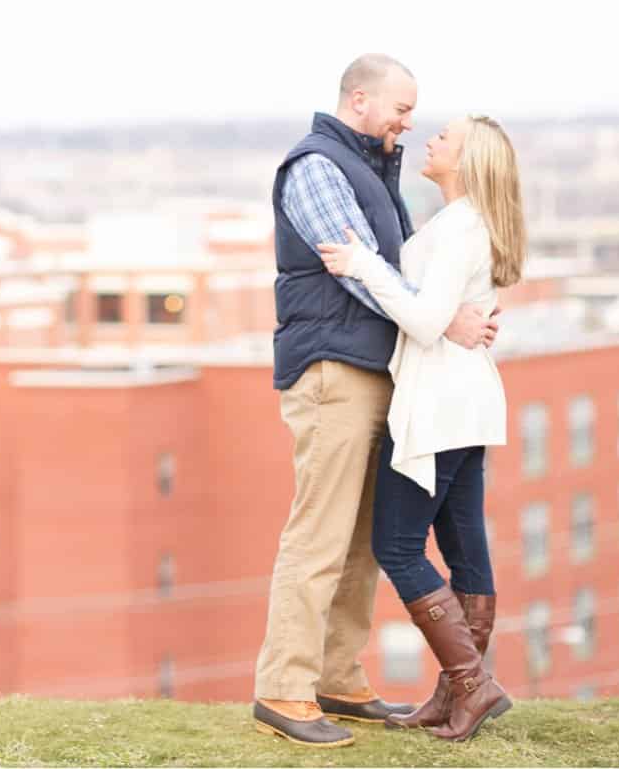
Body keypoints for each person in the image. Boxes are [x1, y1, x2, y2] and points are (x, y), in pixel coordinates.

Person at [252, 55, 500, 750]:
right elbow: (360, 263)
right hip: (333, 372)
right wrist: (442, 316)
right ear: (359, 99)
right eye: (400, 108)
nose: (409, 122)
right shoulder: (317, 166)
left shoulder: (371, 168)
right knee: (319, 535)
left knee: (360, 539)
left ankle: (337, 677)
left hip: (373, 369)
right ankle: (283, 685)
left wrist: (446, 306)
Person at [316, 113, 525, 743]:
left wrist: (360, 262)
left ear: (467, 161)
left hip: (439, 403)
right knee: (464, 552)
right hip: (466, 400)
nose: (430, 139)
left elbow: (426, 318)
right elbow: (440, 308)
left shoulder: (462, 228)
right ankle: (457, 694)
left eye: (445, 138)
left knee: (399, 546)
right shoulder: (464, 223)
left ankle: (470, 682)